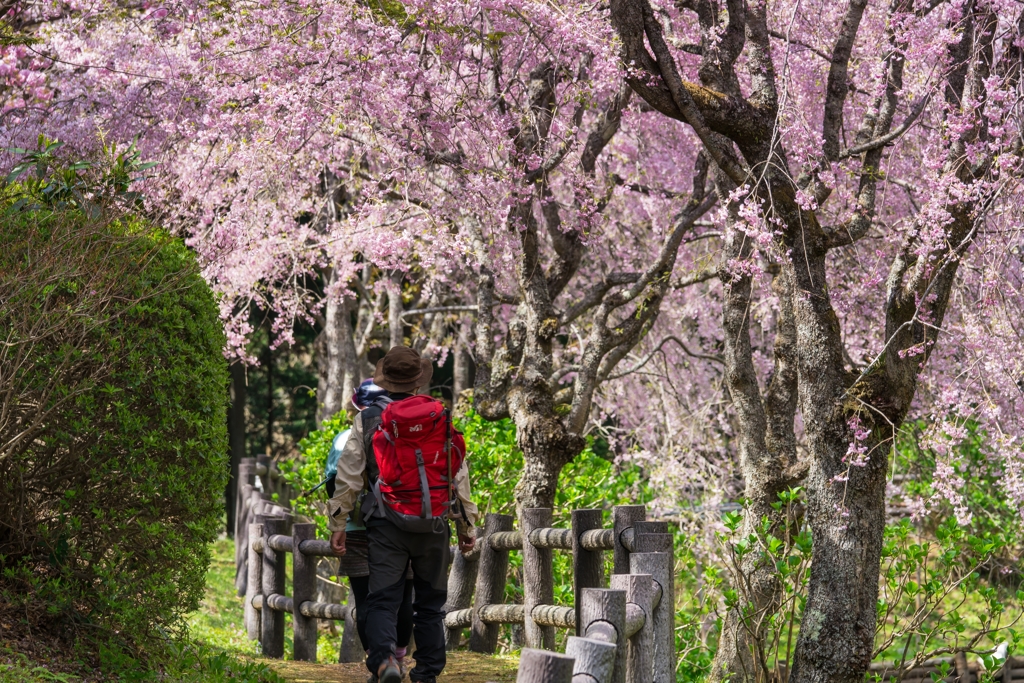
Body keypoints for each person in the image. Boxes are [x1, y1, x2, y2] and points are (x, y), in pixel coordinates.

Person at [327, 346, 478, 683]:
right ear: (417, 382)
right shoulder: (440, 415)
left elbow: (348, 476)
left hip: (386, 522)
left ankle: (385, 663)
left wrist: (338, 523)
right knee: (430, 605)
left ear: (385, 381)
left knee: (382, 599)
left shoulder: (366, 419)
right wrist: (467, 526)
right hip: (434, 522)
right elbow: (458, 473)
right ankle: (426, 674)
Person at [324, 379, 415, 672]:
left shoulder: (345, 436)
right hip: (403, 523)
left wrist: (337, 522)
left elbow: (334, 482)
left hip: (357, 527)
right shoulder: (413, 430)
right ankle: (398, 659)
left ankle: (378, 661)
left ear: (358, 405)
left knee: (365, 598)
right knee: (403, 598)